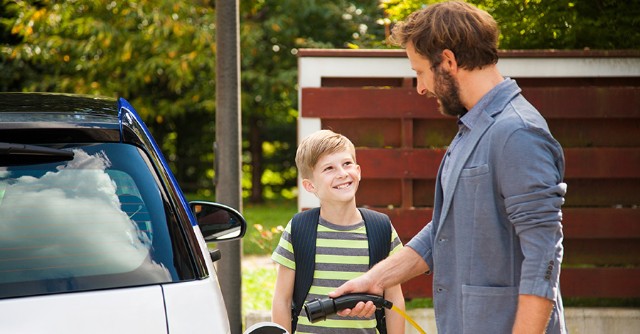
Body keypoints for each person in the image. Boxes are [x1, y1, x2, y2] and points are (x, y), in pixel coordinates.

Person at [328, 1, 568, 333]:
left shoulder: (517, 133)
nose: (420, 87)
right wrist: (375, 279)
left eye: (419, 72)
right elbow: (444, 230)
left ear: (448, 61)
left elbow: (544, 256)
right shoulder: (474, 128)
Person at [271, 129, 405, 334]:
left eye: (347, 164)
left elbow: (394, 299)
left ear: (358, 171)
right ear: (310, 185)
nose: (342, 173)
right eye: (329, 168)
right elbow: (282, 299)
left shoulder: (381, 229)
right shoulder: (299, 229)